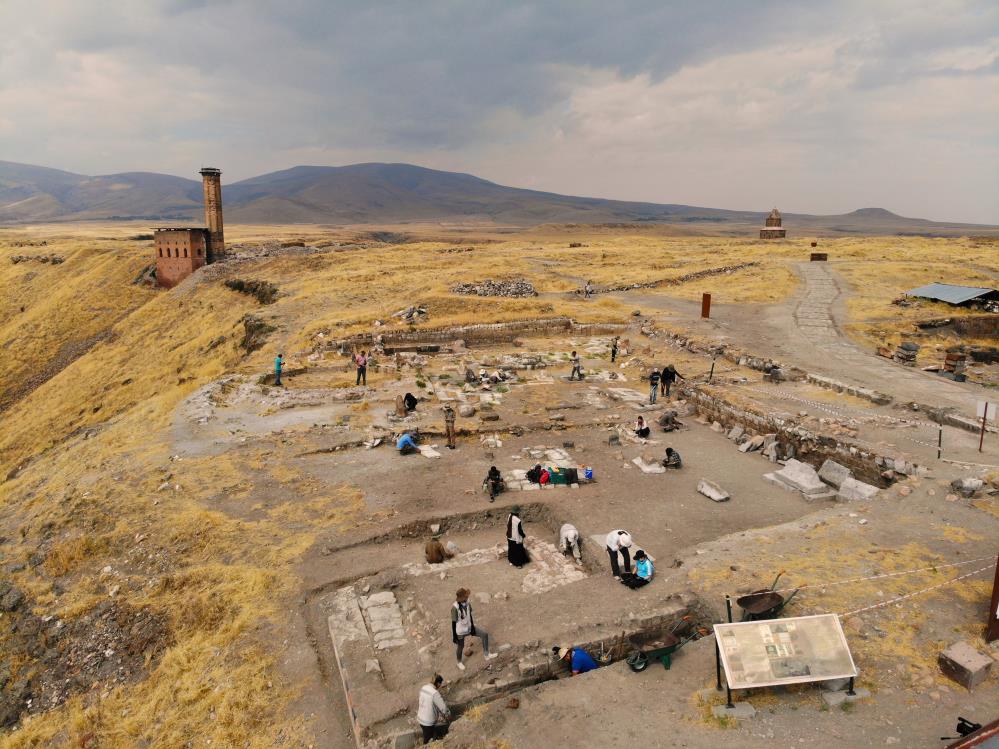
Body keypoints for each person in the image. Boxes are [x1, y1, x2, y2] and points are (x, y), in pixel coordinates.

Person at [451, 588, 497, 671]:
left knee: (484, 635)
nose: (467, 597)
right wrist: (454, 636)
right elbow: (453, 623)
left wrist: (472, 626)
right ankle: (459, 662)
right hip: (460, 631)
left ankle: (486, 654)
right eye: (465, 596)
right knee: (460, 646)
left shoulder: (468, 603)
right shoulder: (455, 608)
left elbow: (470, 615)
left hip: (469, 627)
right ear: (461, 598)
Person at [417, 674, 450, 744]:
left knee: (428, 734)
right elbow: (443, 708)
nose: (440, 686)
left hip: (420, 718)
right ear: (438, 683)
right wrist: (448, 715)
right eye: (440, 684)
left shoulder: (424, 687)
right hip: (428, 722)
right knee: (428, 741)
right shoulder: (434, 693)